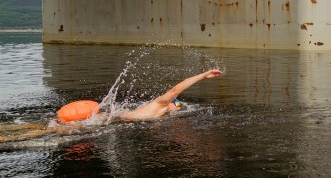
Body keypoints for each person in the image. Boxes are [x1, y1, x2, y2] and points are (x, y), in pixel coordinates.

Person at [55, 69, 223, 124]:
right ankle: (28, 135)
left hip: (116, 118)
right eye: (176, 104)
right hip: (111, 118)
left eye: (177, 106)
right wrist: (204, 75)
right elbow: (175, 89)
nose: (175, 107)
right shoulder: (161, 104)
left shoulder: (162, 114)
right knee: (64, 128)